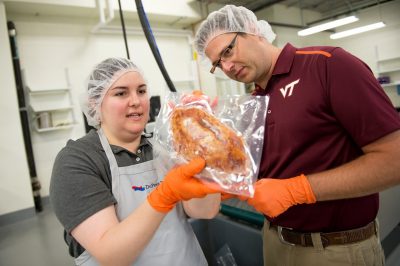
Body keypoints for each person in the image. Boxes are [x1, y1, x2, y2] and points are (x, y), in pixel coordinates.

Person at [194, 5, 400, 266]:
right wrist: (208, 133)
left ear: (252, 31)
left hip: (336, 250)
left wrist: (298, 190)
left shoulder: (328, 64)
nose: (228, 66)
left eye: (227, 51)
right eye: (217, 64)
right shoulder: (255, 101)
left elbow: (395, 160)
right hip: (274, 243)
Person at [49, 57, 221, 266]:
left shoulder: (166, 147)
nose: (136, 101)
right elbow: (113, 254)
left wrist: (203, 148)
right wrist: (164, 195)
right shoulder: (78, 160)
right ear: (95, 102)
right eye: (121, 93)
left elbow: (205, 211)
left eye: (141, 91)